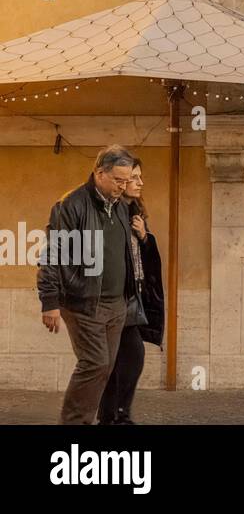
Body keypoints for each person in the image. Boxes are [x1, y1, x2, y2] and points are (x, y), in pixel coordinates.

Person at [37, 145, 141, 424]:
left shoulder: (120, 206)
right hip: (84, 302)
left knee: (104, 368)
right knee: (94, 363)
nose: (123, 186)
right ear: (99, 173)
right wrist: (50, 302)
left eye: (127, 180)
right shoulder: (70, 205)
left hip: (116, 305)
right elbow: (52, 254)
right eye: (118, 180)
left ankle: (99, 419)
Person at [98, 157, 164, 425]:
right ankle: (115, 416)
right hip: (110, 299)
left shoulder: (133, 213)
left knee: (124, 359)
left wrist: (144, 236)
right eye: (134, 178)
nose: (140, 183)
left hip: (131, 298)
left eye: (139, 177)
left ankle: (114, 416)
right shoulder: (108, 213)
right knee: (120, 360)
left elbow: (148, 260)